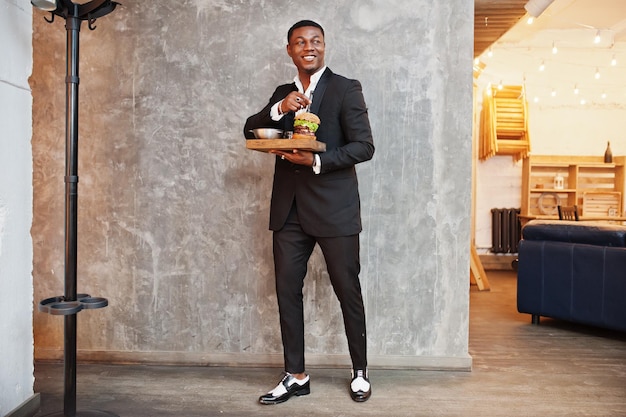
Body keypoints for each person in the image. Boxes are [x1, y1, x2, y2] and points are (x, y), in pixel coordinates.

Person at [244, 20, 375, 404]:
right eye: (300, 42)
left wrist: (315, 161)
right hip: (289, 211)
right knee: (287, 292)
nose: (308, 46)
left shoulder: (345, 88)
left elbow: (364, 147)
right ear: (289, 50)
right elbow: (250, 130)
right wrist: (279, 107)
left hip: (335, 210)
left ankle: (360, 371)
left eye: (315, 41)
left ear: (324, 46)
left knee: (347, 290)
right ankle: (296, 374)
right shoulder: (283, 94)